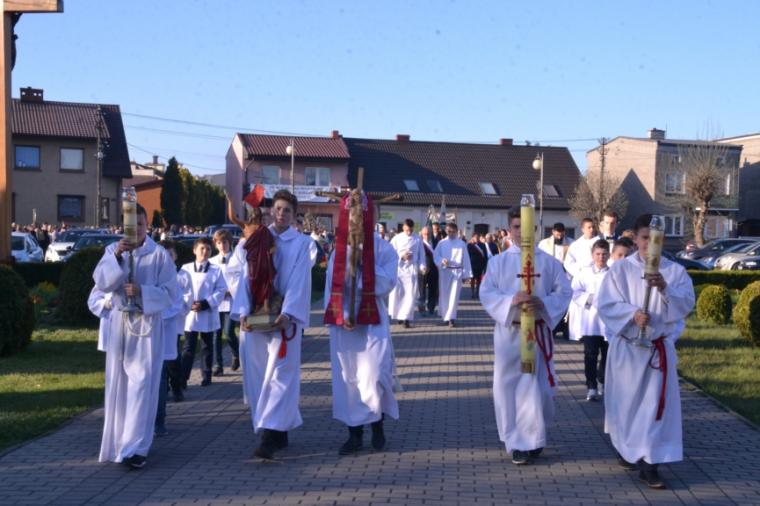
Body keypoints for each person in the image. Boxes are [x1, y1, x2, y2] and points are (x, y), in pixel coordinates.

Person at [597, 214, 695, 489]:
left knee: (653, 409)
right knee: (626, 407)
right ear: (635, 238)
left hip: (656, 352)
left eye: (655, 239)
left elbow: (685, 304)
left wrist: (664, 288)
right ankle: (627, 449)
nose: (649, 244)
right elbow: (606, 304)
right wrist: (631, 315)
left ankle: (650, 464)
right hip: (628, 350)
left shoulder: (674, 272)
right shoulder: (621, 270)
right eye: (644, 238)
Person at [480, 208, 572, 466]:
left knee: (537, 389)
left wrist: (543, 303)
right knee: (509, 387)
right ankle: (517, 442)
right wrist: (511, 300)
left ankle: (534, 437)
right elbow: (487, 294)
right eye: (516, 227)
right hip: (510, 332)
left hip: (538, 332)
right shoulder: (498, 263)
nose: (522, 232)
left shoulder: (549, 263)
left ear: (536, 229)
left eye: (527, 227)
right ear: (510, 230)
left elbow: (565, 292)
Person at [229, 189, 316, 460]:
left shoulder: (301, 244)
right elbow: (238, 274)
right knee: (258, 374)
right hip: (255, 315)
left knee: (280, 376)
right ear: (270, 210)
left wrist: (288, 312)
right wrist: (242, 311)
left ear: (294, 215)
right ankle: (278, 429)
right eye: (277, 209)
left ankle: (269, 437)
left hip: (283, 320)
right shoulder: (255, 237)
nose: (281, 214)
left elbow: (300, 280)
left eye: (287, 210)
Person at [91, 204, 178, 469]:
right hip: (120, 325)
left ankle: (137, 448)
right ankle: (119, 444)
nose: (136, 229)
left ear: (147, 224)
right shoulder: (112, 250)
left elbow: (171, 294)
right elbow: (102, 283)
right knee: (119, 384)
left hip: (146, 326)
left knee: (141, 385)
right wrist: (117, 257)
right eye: (131, 225)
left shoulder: (159, 255)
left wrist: (143, 291)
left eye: (140, 224)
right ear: (123, 226)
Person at [325, 219, 400, 455]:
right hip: (346, 325)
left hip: (372, 320)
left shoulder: (384, 248)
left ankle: (377, 424)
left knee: (375, 374)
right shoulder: (339, 250)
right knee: (350, 379)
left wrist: (364, 264)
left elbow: (387, 283)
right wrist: (341, 315)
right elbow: (331, 286)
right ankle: (354, 434)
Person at [180, 237, 227, 387]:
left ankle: (206, 375)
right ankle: (183, 378)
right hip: (190, 313)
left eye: (208, 249)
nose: (205, 251)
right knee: (189, 347)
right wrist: (188, 303)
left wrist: (206, 303)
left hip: (208, 313)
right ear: (194, 250)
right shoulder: (185, 268)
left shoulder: (216, 270)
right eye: (202, 248)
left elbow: (221, 290)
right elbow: (179, 289)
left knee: (207, 346)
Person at [154, 241, 189, 436]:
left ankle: (159, 421)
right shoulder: (149, 273)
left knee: (161, 375)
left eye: (169, 255)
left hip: (164, 330)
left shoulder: (176, 278)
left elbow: (177, 304)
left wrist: (156, 315)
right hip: (142, 333)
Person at [571, 239, 611, 402]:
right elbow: (574, 292)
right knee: (590, 355)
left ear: (609, 255)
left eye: (604, 254)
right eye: (598, 254)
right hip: (590, 321)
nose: (601, 257)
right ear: (592, 255)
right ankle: (591, 386)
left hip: (608, 322)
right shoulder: (584, 273)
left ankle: (603, 380)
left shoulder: (613, 273)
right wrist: (591, 298)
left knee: (607, 355)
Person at [209, 230, 241, 376]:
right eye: (219, 243)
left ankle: (235, 354)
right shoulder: (212, 261)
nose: (222, 245)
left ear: (230, 243)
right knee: (216, 334)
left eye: (225, 242)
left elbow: (240, 279)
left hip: (231, 300)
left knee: (228, 332)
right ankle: (218, 365)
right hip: (216, 302)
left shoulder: (236, 259)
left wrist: (231, 290)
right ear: (216, 244)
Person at [564, 218, 601, 341]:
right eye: (589, 227)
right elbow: (568, 263)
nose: (592, 229)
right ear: (582, 229)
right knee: (580, 306)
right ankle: (580, 332)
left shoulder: (599, 242)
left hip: (597, 277)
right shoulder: (576, 245)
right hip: (581, 277)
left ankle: (595, 332)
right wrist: (579, 272)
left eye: (593, 227)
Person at [433, 222, 473, 327]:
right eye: (449, 231)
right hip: (445, 271)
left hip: (457, 272)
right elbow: (435, 255)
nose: (451, 233)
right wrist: (442, 260)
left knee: (454, 296)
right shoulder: (442, 243)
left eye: (453, 232)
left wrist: (466, 275)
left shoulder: (461, 244)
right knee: (444, 295)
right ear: (446, 231)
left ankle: (451, 318)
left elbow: (466, 259)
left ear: (456, 232)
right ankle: (445, 317)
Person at [388, 219, 426, 328]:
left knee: (410, 295)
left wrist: (422, 266)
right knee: (399, 295)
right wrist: (401, 257)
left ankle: (407, 318)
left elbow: (421, 254)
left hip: (411, 270)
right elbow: (390, 253)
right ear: (403, 227)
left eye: (411, 230)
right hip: (399, 270)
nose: (409, 232)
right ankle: (399, 316)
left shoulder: (417, 239)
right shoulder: (396, 239)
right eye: (407, 230)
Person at [419, 226, 439, 315]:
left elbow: (438, 255)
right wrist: (422, 267)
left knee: (433, 289)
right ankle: (422, 308)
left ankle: (431, 307)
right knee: (421, 290)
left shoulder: (436, 242)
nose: (426, 236)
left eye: (428, 234)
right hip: (422, 270)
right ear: (421, 234)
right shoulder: (419, 243)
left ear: (431, 234)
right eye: (425, 234)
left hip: (433, 269)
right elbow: (417, 257)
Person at [467, 233, 488, 300]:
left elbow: (485, 255)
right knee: (472, 279)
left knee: (479, 280)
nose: (477, 238)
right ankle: (472, 293)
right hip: (472, 264)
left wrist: (484, 264)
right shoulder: (470, 245)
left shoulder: (483, 245)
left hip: (480, 264)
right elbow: (468, 255)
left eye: (478, 237)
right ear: (472, 237)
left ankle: (477, 292)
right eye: (475, 237)